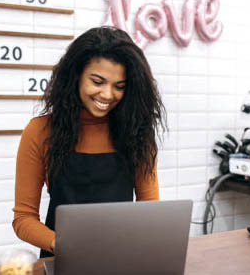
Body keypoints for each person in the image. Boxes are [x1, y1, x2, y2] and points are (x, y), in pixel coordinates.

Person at [12, 26, 165, 257]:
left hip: (120, 259)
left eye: (119, 86)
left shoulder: (137, 133)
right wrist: (61, 244)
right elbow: (23, 219)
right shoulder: (40, 131)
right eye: (97, 81)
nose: (107, 94)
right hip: (62, 258)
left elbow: (149, 209)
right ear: (76, 76)